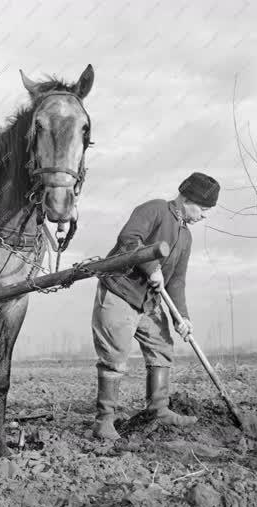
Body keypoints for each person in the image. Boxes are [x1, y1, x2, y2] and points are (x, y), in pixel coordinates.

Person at [91, 172, 220, 440]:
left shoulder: (186, 237)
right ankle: (104, 422)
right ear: (186, 199)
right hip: (120, 291)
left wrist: (182, 317)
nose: (205, 215)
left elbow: (177, 282)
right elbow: (130, 238)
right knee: (114, 357)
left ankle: (158, 408)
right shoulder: (155, 209)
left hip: (148, 302)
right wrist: (151, 267)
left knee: (162, 348)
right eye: (203, 209)